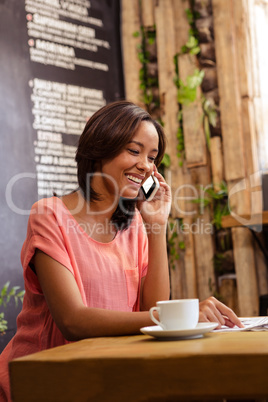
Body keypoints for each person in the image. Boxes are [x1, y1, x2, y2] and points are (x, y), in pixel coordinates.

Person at [0, 100, 243, 401]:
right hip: (44, 383)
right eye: (134, 150)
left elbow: (151, 309)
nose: (146, 165)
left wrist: (156, 226)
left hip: (108, 378)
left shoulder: (136, 226)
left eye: (153, 157)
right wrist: (184, 316)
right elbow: (73, 321)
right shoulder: (49, 215)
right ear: (100, 147)